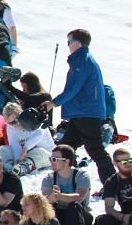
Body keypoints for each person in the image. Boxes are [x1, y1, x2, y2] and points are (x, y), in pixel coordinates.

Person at [42, 28, 113, 185]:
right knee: (66, 150)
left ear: (78, 44)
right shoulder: (83, 59)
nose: (68, 45)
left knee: (95, 150)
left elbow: (73, 88)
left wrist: (53, 103)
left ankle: (113, 187)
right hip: (82, 112)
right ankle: (66, 185)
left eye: (69, 42)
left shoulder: (81, 60)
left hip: (86, 112)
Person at [41, 144, 93, 225]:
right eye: (51, 158)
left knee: (74, 205)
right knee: (48, 207)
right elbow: (45, 200)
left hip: (80, 216)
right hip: (60, 215)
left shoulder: (81, 175)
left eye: (55, 159)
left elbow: (79, 197)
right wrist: (51, 197)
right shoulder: (49, 178)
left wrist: (60, 196)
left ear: (67, 161)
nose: (52, 162)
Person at [0, 103, 53, 176]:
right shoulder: (11, 128)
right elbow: (14, 145)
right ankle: (6, 167)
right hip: (25, 156)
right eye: (11, 123)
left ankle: (22, 168)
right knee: (4, 149)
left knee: (38, 151)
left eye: (16, 120)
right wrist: (18, 160)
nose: (15, 125)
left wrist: (25, 148)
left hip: (45, 155)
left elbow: (38, 134)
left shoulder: (34, 118)